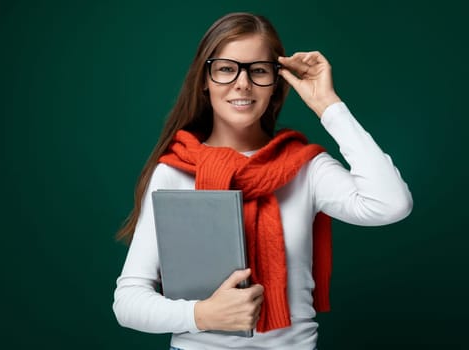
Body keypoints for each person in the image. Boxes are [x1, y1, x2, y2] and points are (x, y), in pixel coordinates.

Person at [113, 12, 413, 350]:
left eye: (258, 71)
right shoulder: (175, 172)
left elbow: (391, 204)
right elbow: (128, 304)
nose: (242, 83)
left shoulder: (305, 168)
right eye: (226, 68)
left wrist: (327, 104)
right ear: (204, 80)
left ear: (276, 82)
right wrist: (202, 315)